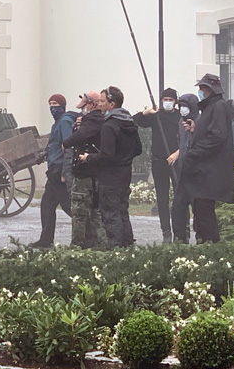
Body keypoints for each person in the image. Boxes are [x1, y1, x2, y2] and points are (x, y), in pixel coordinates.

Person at [78, 85, 142, 248]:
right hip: (125, 175)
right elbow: (138, 149)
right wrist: (124, 159)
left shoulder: (109, 126)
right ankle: (129, 247)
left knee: (111, 215)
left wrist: (88, 158)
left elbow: (106, 155)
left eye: (102, 101)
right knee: (122, 213)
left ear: (112, 104)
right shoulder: (130, 123)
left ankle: (116, 250)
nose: (99, 104)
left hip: (110, 177)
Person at [182, 74, 234, 243]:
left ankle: (211, 245)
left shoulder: (217, 107)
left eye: (202, 89)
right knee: (200, 209)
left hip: (209, 171)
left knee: (204, 211)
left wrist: (195, 152)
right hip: (206, 170)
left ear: (209, 90)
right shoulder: (211, 107)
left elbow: (217, 137)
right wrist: (196, 131)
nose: (200, 92)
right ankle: (206, 243)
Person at [62, 91, 109, 248]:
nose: (83, 109)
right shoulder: (102, 120)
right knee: (96, 211)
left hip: (85, 173)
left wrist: (65, 143)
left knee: (79, 212)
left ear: (92, 104)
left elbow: (80, 136)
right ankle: (103, 244)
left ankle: (77, 245)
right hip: (98, 173)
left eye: (86, 105)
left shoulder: (91, 121)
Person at [135, 87, 181, 243]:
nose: (168, 102)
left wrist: (177, 153)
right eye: (165, 100)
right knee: (162, 198)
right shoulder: (157, 116)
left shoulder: (179, 117)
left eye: (171, 100)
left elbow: (187, 138)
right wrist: (146, 112)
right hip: (159, 160)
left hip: (175, 160)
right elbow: (136, 121)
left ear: (175, 102)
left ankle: (181, 231)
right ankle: (166, 232)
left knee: (179, 196)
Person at [32, 93, 76, 248]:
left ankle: (91, 234)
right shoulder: (57, 123)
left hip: (59, 171)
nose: (52, 107)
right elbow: (55, 145)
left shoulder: (64, 122)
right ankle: (45, 240)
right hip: (54, 170)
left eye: (55, 104)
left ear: (62, 106)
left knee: (68, 205)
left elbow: (68, 146)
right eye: (50, 104)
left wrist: (65, 172)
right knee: (47, 205)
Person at [168, 92, 200, 244]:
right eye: (180, 106)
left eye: (185, 107)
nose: (182, 110)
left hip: (197, 173)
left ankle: (201, 238)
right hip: (183, 172)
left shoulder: (200, 122)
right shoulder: (180, 124)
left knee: (199, 209)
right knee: (177, 208)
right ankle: (180, 239)